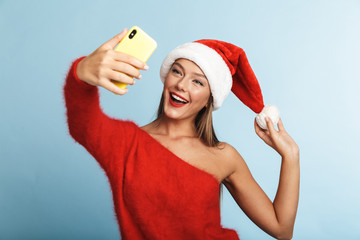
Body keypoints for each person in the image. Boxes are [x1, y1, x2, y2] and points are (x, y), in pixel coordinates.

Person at [64, 28, 300, 240]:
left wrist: (291, 155)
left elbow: (281, 228)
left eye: (197, 82)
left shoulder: (224, 156)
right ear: (166, 78)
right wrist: (81, 73)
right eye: (177, 72)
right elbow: (82, 124)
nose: (182, 85)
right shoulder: (127, 143)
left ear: (209, 100)